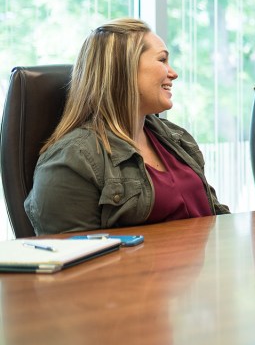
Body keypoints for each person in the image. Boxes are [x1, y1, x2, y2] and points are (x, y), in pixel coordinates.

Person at [25, 18, 230, 235]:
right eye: (162, 60)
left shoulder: (177, 137)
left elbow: (215, 216)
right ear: (125, 69)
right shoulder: (72, 160)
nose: (173, 73)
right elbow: (71, 259)